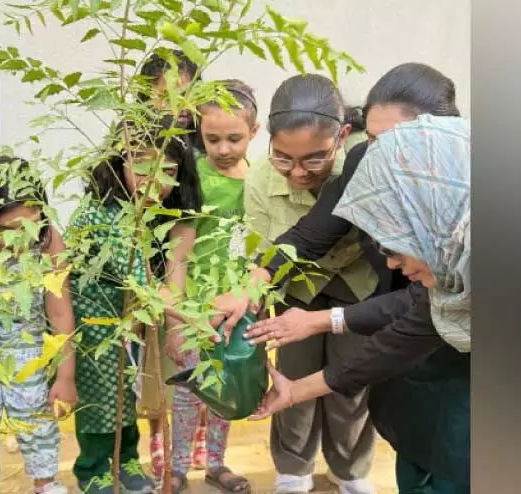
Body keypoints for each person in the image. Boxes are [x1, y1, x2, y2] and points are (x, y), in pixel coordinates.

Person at [216, 63, 470, 494]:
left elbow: (411, 323)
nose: (378, 155)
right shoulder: (372, 170)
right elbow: (316, 232)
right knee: (414, 437)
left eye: (391, 142)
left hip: (452, 377)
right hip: (403, 327)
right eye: (370, 140)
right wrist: (252, 283)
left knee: (455, 453)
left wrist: (322, 324)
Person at [238, 73, 379, 494]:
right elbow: (260, 252)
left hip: (359, 286)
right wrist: (252, 308)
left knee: (351, 384)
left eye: (314, 160)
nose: (297, 172)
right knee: (293, 379)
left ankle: (351, 470)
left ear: (343, 137)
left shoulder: (365, 162)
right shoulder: (260, 179)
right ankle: (293, 470)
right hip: (293, 289)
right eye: (284, 158)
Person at [65, 127, 202, 494]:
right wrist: (190, 320)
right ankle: (93, 467)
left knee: (127, 393)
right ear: (119, 162)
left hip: (132, 318)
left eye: (169, 172)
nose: (155, 180)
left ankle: (126, 459)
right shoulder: (101, 211)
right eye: (142, 167)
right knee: (99, 396)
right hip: (93, 320)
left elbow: (169, 273)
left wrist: (172, 321)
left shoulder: (157, 212)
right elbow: (141, 283)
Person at [163, 79, 260, 494]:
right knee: (188, 390)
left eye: (234, 138)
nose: (223, 149)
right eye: (212, 138)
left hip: (240, 304)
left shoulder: (260, 181)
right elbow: (178, 254)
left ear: (254, 133)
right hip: (196, 306)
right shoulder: (194, 177)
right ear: (199, 133)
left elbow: (258, 248)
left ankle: (217, 464)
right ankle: (178, 465)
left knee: (226, 383)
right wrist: (175, 318)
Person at [136, 49, 205, 478]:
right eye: (167, 96)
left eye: (188, 96)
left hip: (186, 268)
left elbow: (186, 225)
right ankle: (155, 436)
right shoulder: (131, 141)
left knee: (182, 357)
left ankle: (191, 437)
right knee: (147, 366)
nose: (178, 108)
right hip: (138, 266)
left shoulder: (200, 146)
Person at [0, 156, 78, 494]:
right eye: (5, 232)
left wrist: (65, 375)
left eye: (27, 227)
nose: (19, 241)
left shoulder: (47, 242)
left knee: (37, 423)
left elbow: (60, 313)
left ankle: (46, 482)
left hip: (26, 350)